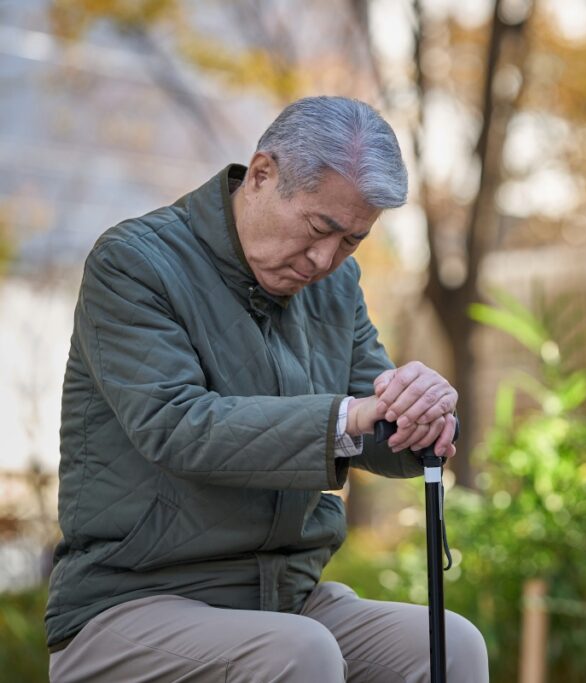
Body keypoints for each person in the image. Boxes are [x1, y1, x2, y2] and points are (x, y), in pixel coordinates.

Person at [45, 96, 488, 682]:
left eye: (352, 241)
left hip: (285, 597)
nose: (325, 259)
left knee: (449, 645)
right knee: (299, 652)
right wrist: (349, 417)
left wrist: (423, 411)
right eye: (319, 228)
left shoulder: (336, 288)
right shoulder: (134, 264)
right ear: (261, 175)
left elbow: (378, 420)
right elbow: (177, 427)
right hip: (131, 601)